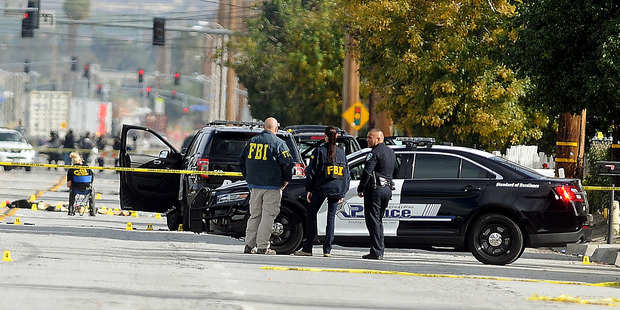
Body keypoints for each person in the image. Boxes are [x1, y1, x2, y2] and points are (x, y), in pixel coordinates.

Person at [239, 117, 294, 255]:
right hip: (273, 186)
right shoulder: (278, 143)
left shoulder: (251, 142)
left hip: (254, 186)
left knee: (254, 215)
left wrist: (248, 177)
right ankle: (263, 246)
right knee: (268, 216)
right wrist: (286, 179)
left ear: (264, 127)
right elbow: (288, 164)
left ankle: (249, 245)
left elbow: (241, 161)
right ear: (276, 129)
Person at [295, 126, 349, 257]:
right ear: (336, 137)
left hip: (321, 188)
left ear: (325, 136)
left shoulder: (319, 151)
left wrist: (309, 189)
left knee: (311, 215)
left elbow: (312, 172)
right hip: (336, 189)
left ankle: (308, 248)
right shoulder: (341, 153)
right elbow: (346, 174)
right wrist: (342, 192)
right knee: (331, 218)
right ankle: (327, 250)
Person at [357, 128, 395, 260]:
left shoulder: (375, 152)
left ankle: (376, 251)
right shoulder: (391, 152)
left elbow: (367, 172)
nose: (367, 140)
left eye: (369, 137)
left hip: (375, 190)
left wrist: (361, 188)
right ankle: (379, 250)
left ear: (378, 139)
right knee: (378, 221)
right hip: (387, 190)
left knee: (373, 221)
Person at [66, 152, 95, 216]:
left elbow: (69, 185)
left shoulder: (71, 170)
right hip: (87, 189)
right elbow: (92, 180)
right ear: (80, 160)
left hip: (76, 189)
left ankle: (71, 210)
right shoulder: (87, 168)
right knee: (92, 191)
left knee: (71, 190)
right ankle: (92, 210)